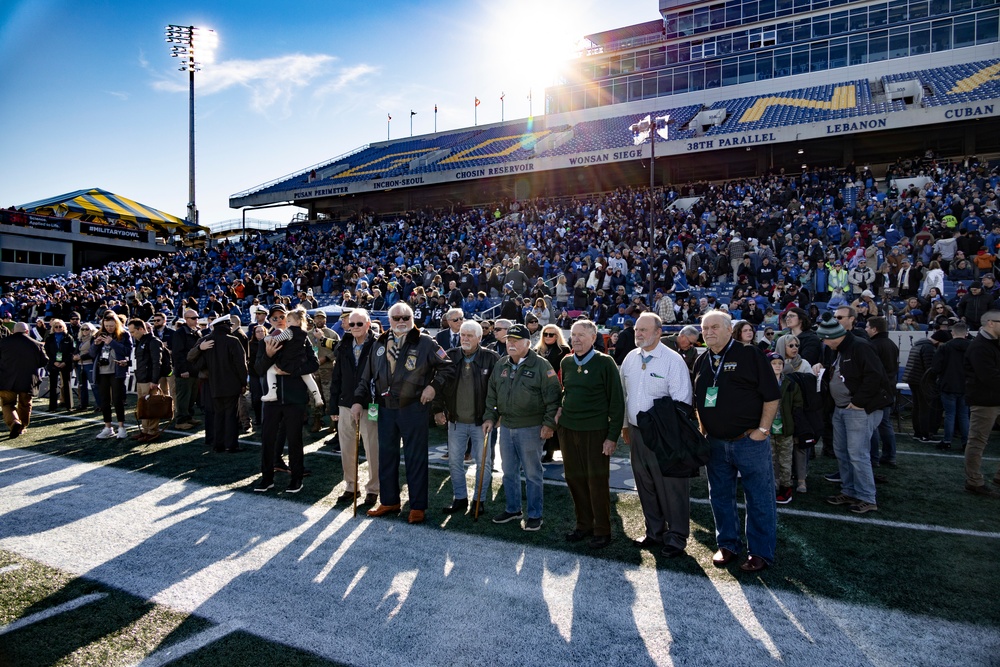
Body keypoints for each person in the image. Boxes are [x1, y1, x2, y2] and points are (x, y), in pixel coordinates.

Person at [352, 302, 455, 524]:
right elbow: (365, 377)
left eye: (405, 318)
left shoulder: (425, 341)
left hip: (413, 409)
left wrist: (433, 387)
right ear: (389, 320)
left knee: (415, 458)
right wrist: (358, 401)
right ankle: (389, 501)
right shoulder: (378, 343)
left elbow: (447, 366)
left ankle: (417, 506)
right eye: (396, 318)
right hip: (384, 409)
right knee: (386, 456)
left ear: (412, 319)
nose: (401, 321)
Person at [693, 310, 779, 573]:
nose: (708, 332)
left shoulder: (749, 354)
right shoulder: (701, 361)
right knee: (719, 496)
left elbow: (772, 394)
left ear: (730, 329)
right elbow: (700, 401)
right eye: (704, 328)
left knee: (759, 498)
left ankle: (761, 552)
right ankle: (728, 544)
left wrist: (763, 430)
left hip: (749, 441)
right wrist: (703, 430)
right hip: (716, 443)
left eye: (714, 327)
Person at [620, 312, 694, 557]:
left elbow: (682, 401)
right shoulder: (630, 358)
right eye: (636, 330)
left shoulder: (672, 360)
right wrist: (625, 426)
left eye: (644, 330)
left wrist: (667, 433)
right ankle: (654, 532)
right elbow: (625, 396)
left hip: (665, 434)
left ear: (658, 332)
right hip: (637, 433)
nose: (638, 333)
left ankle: (677, 536)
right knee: (645, 484)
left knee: (671, 486)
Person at [483, 323, 561, 531]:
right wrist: (490, 417)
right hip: (507, 427)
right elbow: (491, 394)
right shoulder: (501, 365)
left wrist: (549, 424)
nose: (511, 343)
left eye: (516, 340)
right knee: (509, 472)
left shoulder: (542, 366)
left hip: (531, 428)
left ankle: (535, 514)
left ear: (528, 343)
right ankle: (513, 509)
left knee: (533, 473)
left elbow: (554, 399)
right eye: (509, 340)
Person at [815, 312, 892, 515]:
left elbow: (875, 376)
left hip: (856, 409)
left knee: (857, 454)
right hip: (842, 408)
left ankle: (866, 496)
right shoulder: (841, 349)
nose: (823, 343)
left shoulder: (860, 346)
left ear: (833, 337)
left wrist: (858, 402)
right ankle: (849, 490)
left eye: (824, 339)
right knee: (842, 452)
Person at [557, 319, 624, 549]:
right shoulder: (566, 362)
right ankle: (583, 525)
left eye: (581, 335)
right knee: (574, 479)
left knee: (596, 481)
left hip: (595, 432)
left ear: (593, 338)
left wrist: (612, 436)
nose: (575, 339)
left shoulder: (605, 363)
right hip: (568, 430)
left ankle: (602, 530)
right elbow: (564, 392)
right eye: (573, 335)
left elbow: (616, 402)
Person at [433, 320, 499, 516]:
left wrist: (495, 415)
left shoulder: (492, 358)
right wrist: (437, 409)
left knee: (484, 463)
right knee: (454, 462)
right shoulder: (450, 356)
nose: (465, 338)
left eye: (470, 335)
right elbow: (437, 382)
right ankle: (459, 498)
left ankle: (480, 500)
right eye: (463, 334)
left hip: (482, 422)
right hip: (456, 421)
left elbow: (499, 390)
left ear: (479, 338)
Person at [254, 304, 320, 494]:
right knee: (267, 440)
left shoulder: (302, 339)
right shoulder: (265, 341)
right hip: (271, 401)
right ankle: (267, 479)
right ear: (269, 321)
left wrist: (291, 371)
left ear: (290, 318)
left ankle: (296, 478)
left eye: (282, 316)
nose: (279, 320)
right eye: (274, 318)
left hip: (294, 398)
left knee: (294, 440)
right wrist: (268, 354)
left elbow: (313, 364)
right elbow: (258, 368)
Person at [329, 308, 379, 505]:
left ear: (368, 324)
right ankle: (351, 486)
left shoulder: (378, 344)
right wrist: (333, 406)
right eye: (352, 324)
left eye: (360, 323)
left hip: (370, 405)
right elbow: (336, 377)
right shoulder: (343, 345)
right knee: (348, 448)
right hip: (345, 403)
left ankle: (373, 489)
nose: (355, 327)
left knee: (372, 448)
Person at [188, 315, 248, 453]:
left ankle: (218, 444)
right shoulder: (233, 341)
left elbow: (192, 360)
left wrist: (200, 349)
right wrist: (243, 382)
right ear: (226, 326)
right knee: (231, 415)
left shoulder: (206, 340)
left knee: (218, 415)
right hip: (231, 384)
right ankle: (231, 445)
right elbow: (241, 365)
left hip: (212, 384)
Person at [962, 310, 1000, 497]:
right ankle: (974, 481)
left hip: (994, 398)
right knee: (978, 441)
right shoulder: (979, 347)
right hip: (984, 401)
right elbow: (989, 377)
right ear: (991, 323)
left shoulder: (993, 344)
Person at [261, 309, 324, 407]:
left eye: (289, 321)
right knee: (308, 377)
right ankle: (318, 397)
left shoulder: (289, 331)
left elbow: (276, 339)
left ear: (298, 321)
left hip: (288, 362)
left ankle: (272, 392)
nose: (287, 323)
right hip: (301, 362)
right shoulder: (304, 333)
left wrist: (267, 338)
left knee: (270, 371)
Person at [0, 322, 48, 439]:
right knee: (25, 404)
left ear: (13, 331)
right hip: (27, 380)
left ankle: (14, 422)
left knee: (7, 404)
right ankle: (22, 427)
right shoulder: (36, 344)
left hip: (6, 380)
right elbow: (44, 361)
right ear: (27, 331)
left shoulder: (2, 343)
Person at [864, 316, 899, 466]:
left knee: (872, 425)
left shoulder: (873, 345)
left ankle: (873, 458)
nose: (865, 329)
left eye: (867, 326)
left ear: (874, 329)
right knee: (885, 424)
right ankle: (889, 455)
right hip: (889, 388)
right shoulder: (892, 344)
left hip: (878, 390)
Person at [930, 322, 970, 451]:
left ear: (952, 333)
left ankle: (947, 440)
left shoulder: (945, 347)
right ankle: (966, 442)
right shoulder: (972, 347)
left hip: (948, 385)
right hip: (966, 386)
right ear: (966, 333)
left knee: (950, 414)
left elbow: (936, 368)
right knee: (964, 415)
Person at [93, 312, 133, 440]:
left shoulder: (124, 335)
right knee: (104, 400)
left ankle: (121, 427)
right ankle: (108, 427)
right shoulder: (100, 334)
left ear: (116, 324)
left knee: (117, 400)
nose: (109, 328)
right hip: (102, 371)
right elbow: (92, 353)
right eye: (106, 326)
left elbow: (127, 351)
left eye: (111, 326)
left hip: (117, 371)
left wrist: (112, 342)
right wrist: (96, 344)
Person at [536, 324, 570, 463]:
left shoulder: (563, 350)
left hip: (556, 387)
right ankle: (544, 450)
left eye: (551, 334)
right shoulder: (537, 350)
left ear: (557, 336)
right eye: (545, 334)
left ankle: (552, 451)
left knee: (555, 419)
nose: (548, 337)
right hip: (539, 389)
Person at [128, 318, 164, 443]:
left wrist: (154, 380)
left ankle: (153, 431)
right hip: (141, 378)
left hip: (148, 379)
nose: (132, 335)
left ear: (141, 329)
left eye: (133, 332)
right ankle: (145, 430)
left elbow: (156, 362)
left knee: (151, 405)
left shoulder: (153, 341)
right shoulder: (140, 341)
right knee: (143, 406)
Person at [307, 311, 339, 433]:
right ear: (314, 320)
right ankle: (317, 420)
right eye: (317, 318)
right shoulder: (308, 335)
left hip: (328, 370)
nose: (320, 320)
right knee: (314, 397)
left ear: (325, 320)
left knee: (329, 397)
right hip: (313, 371)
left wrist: (327, 358)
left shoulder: (332, 334)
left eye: (322, 318)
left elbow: (338, 350)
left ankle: (333, 423)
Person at [172, 309, 203, 430]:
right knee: (184, 397)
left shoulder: (196, 332)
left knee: (192, 396)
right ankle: (180, 420)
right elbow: (178, 354)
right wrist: (183, 370)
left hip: (194, 370)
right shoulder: (180, 333)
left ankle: (189, 417)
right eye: (193, 318)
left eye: (197, 317)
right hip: (185, 370)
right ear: (186, 319)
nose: (196, 320)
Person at [43, 318, 77, 412]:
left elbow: (72, 351)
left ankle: (69, 406)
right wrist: (54, 361)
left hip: (65, 364)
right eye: (56, 327)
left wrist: (65, 362)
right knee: (53, 386)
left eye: (60, 326)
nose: (58, 328)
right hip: (53, 363)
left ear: (64, 327)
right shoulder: (49, 338)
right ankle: (52, 407)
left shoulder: (68, 337)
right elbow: (47, 351)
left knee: (66, 384)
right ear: (53, 328)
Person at [75, 323, 99, 411]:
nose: (84, 331)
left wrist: (80, 357)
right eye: (83, 329)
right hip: (80, 365)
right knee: (82, 386)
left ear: (91, 330)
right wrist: (75, 356)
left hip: (90, 364)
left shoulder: (93, 339)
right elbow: (76, 350)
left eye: (87, 329)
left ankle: (99, 404)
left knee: (94, 385)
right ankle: (83, 404)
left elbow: (93, 353)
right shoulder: (80, 339)